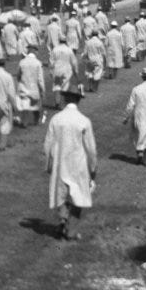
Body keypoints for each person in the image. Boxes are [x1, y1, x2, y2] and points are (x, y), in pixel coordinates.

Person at [42, 84, 97, 240]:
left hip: (60, 163)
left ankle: (63, 220)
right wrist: (93, 168)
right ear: (79, 100)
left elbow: (47, 144)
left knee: (60, 195)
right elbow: (91, 149)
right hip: (77, 164)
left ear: (65, 99)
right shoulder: (83, 121)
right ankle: (71, 229)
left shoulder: (56, 119)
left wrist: (48, 164)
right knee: (78, 196)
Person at [17, 45, 47, 126]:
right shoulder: (38, 63)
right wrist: (42, 90)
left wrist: (19, 81)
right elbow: (40, 79)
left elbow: (18, 75)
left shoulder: (22, 62)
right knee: (36, 106)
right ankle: (36, 121)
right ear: (35, 52)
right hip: (34, 88)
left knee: (25, 106)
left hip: (24, 87)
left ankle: (24, 122)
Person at [82, 27, 105, 93]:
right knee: (97, 74)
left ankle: (90, 87)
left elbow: (85, 53)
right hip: (98, 60)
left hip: (90, 59)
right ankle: (95, 88)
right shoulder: (99, 42)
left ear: (92, 35)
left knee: (90, 74)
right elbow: (103, 53)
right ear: (97, 35)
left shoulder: (88, 42)